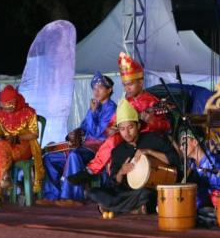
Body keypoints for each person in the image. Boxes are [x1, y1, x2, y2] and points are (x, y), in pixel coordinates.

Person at [68, 52, 171, 184]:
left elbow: (166, 126)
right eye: (125, 85)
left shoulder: (152, 102)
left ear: (141, 82)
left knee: (113, 142)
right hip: (127, 138)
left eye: (131, 84)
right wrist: (110, 129)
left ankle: (94, 174)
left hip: (145, 139)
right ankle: (95, 174)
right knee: (112, 140)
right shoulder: (125, 102)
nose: (127, 88)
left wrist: (152, 122)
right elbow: (113, 123)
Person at [88, 99, 179, 218]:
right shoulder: (118, 151)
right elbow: (113, 183)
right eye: (122, 129)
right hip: (129, 193)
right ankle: (132, 208)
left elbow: (174, 159)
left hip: (152, 188)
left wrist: (148, 151)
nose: (127, 133)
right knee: (93, 192)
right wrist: (121, 172)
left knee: (147, 194)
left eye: (130, 127)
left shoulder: (152, 139)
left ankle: (115, 207)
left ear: (138, 125)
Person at [38, 72, 117, 206]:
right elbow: (84, 127)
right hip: (83, 146)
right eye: (94, 88)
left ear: (109, 90)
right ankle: (51, 195)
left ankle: (72, 197)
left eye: (100, 87)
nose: (96, 91)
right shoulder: (94, 106)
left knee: (74, 155)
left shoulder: (112, 108)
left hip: (98, 149)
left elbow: (97, 133)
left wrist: (92, 112)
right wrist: (73, 134)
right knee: (49, 157)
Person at [0, 85, 44, 208]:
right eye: (4, 107)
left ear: (15, 101)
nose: (7, 110)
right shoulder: (1, 114)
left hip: (24, 146)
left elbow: (34, 134)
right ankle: (3, 182)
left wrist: (17, 137)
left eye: (10, 106)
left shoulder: (29, 112)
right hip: (6, 146)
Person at [180, 128, 220, 210]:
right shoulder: (192, 163)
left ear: (195, 142)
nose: (181, 148)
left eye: (184, 144)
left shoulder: (214, 162)